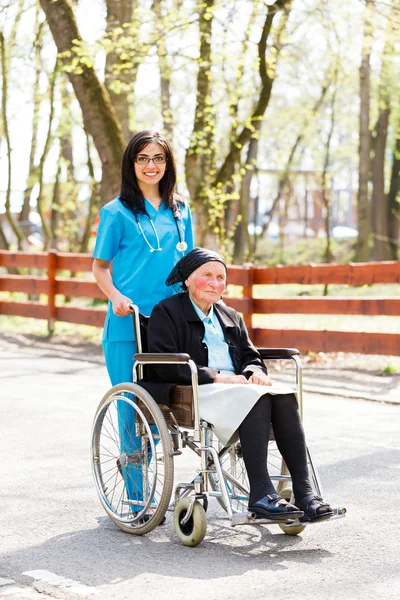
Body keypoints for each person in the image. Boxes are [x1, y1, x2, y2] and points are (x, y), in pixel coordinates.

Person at [147, 248, 334, 522]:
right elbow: (163, 363)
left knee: (283, 395)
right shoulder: (167, 311)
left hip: (236, 389)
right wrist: (217, 376)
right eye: (207, 275)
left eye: (220, 277)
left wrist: (255, 371)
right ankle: (260, 494)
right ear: (187, 279)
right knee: (256, 398)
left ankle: (305, 494)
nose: (215, 282)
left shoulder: (230, 315)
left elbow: (251, 356)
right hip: (193, 389)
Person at [92, 130, 194, 512]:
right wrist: (117, 296)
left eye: (159, 159)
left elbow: (191, 266)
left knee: (167, 408)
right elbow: (100, 268)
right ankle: (137, 498)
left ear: (168, 164)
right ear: (131, 164)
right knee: (132, 409)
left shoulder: (181, 210)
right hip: (127, 324)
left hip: (170, 325)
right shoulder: (115, 212)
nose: (151, 166)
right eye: (143, 158)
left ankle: (149, 472)